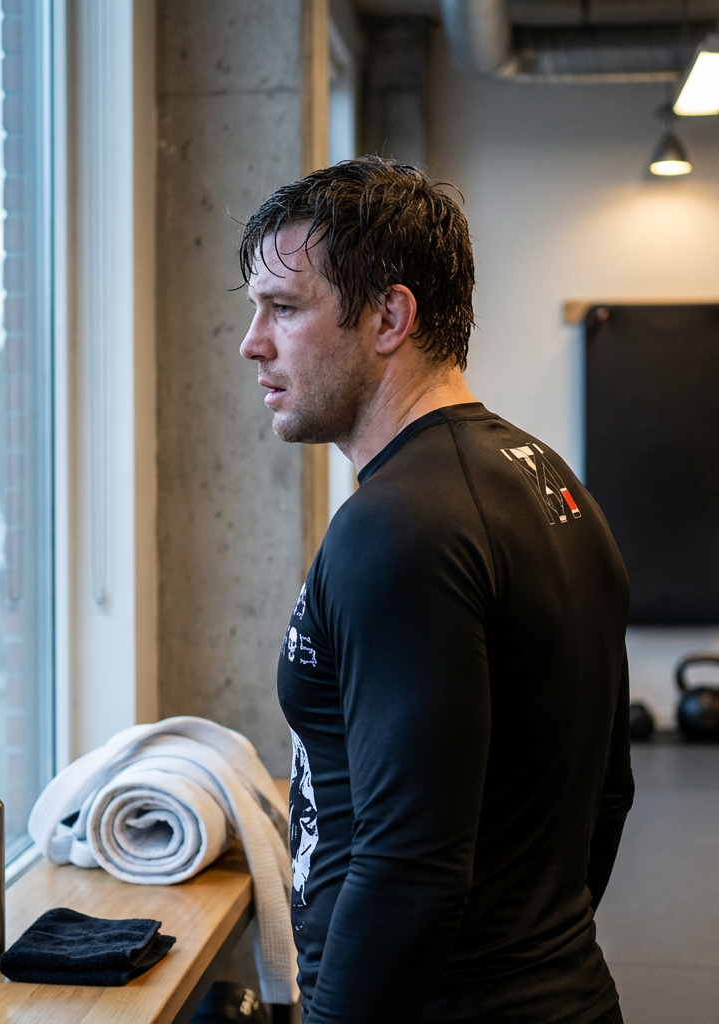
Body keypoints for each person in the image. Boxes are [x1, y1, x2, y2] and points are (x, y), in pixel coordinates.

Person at [239, 156, 634, 1024]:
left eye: (285, 308)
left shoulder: (398, 526)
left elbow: (407, 862)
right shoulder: (551, 483)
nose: (252, 341)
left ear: (391, 316)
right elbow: (608, 793)